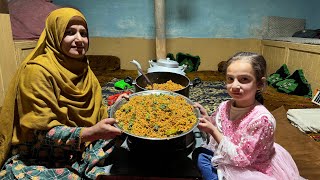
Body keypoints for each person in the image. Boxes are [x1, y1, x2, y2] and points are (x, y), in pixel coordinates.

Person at [0, 7, 126, 179]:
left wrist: (119, 106)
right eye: (69, 32)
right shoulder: (37, 72)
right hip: (43, 153)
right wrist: (91, 133)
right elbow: (40, 133)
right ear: (54, 35)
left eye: (83, 33)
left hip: (84, 144)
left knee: (133, 146)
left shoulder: (83, 69)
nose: (79, 39)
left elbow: (97, 111)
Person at [192, 52, 304, 180]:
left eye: (244, 79)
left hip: (249, 165)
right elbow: (220, 126)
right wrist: (207, 119)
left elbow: (242, 159)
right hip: (229, 152)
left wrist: (212, 130)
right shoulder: (224, 105)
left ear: (259, 84)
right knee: (199, 154)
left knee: (202, 159)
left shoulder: (262, 119)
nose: (234, 85)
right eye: (230, 79)